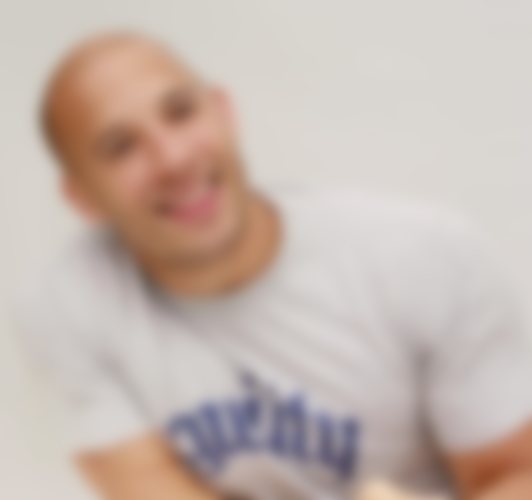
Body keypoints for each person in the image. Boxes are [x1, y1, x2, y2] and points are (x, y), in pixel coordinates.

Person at [12, 30, 532, 500]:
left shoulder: (427, 257)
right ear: (83, 197)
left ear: (223, 113)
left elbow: (517, 476)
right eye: (121, 147)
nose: (173, 159)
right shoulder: (67, 305)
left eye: (181, 113)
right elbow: (146, 485)